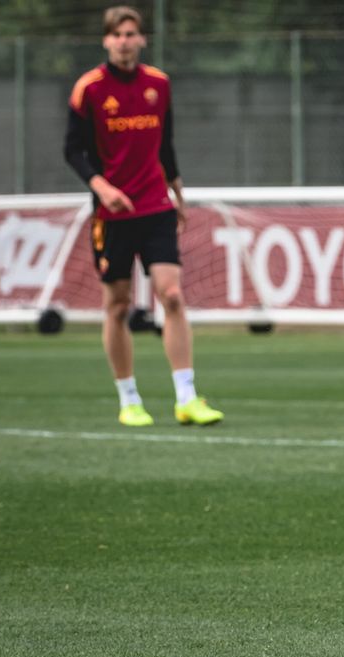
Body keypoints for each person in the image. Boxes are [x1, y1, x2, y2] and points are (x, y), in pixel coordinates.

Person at [64, 6, 222, 427]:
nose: (125, 41)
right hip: (113, 213)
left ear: (142, 39)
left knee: (171, 295)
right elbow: (73, 151)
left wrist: (177, 190)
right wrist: (102, 188)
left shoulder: (159, 84)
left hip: (156, 205)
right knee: (116, 306)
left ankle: (186, 397)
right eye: (118, 35)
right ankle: (128, 398)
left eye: (132, 33)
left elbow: (164, 143)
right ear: (106, 40)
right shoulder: (89, 89)